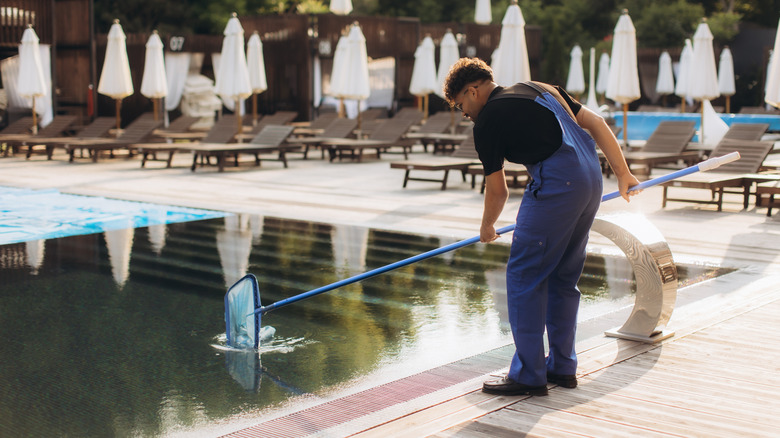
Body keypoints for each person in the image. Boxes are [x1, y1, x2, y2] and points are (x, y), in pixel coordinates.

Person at [443, 58, 640, 396]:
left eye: (461, 105)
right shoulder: (540, 88)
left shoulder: (487, 121)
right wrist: (622, 173)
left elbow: (498, 189)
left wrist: (487, 225)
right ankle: (562, 366)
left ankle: (528, 375)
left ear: (472, 91)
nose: (465, 113)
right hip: (591, 179)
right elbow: (596, 122)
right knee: (563, 277)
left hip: (557, 185)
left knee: (523, 277)